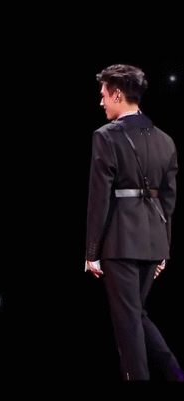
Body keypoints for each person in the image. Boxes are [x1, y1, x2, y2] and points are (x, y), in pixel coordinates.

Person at [85, 64, 183, 381]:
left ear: (117, 94)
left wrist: (91, 252)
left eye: (103, 94)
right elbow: (169, 200)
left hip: (120, 243)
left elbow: (99, 197)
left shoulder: (105, 136)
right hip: (153, 244)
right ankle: (174, 374)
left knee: (128, 325)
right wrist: (164, 248)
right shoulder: (166, 140)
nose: (101, 101)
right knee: (136, 315)